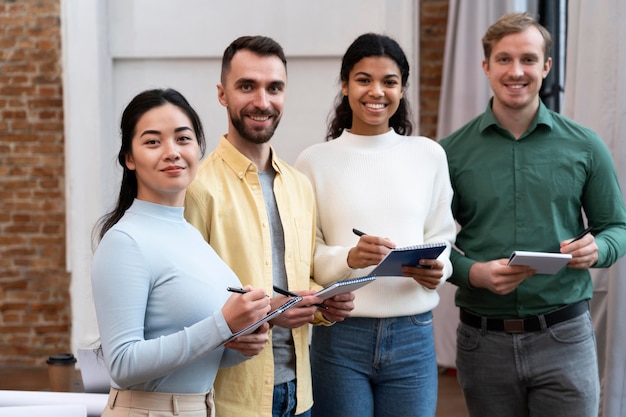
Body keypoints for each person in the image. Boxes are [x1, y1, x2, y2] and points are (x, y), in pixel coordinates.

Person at [439, 12, 626, 417]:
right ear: (486, 67)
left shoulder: (586, 145)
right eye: (504, 59)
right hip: (482, 341)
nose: (516, 71)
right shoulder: (449, 153)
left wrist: (598, 250)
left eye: (527, 59)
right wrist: (472, 272)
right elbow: (431, 244)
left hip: (565, 337)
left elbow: (617, 228)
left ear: (546, 66)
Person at [184, 36, 355, 417]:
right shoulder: (196, 188)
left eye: (274, 88)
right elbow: (181, 301)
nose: (262, 102)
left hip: (300, 395)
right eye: (247, 86)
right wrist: (266, 312)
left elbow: (301, 275)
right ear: (222, 94)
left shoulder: (298, 185)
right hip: (232, 399)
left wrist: (322, 302)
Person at [294, 33, 457, 417]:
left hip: (413, 334)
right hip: (340, 335)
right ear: (345, 85)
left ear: (402, 89)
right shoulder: (314, 161)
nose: (376, 91)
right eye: (364, 79)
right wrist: (349, 257)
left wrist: (439, 269)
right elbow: (305, 254)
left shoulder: (429, 155)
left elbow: (443, 237)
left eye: (390, 81)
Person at [91, 88, 272, 417]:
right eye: (152, 142)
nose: (171, 152)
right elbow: (121, 364)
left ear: (198, 149)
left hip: (201, 407)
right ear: (129, 159)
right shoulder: (124, 241)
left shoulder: (189, 233)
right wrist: (222, 324)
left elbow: (197, 354)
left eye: (183, 138)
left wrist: (241, 342)